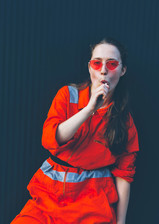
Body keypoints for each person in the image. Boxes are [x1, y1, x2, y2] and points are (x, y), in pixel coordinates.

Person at [11, 38, 139, 224]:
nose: (103, 70)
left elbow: (124, 174)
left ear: (122, 70)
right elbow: (50, 139)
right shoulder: (67, 95)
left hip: (93, 202)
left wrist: (120, 222)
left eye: (112, 64)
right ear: (89, 68)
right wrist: (89, 109)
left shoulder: (124, 120)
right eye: (97, 63)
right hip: (49, 196)